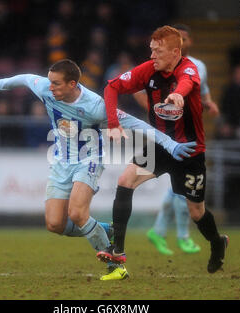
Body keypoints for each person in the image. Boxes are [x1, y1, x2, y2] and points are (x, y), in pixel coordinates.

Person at [0, 59, 196, 280]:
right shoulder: (45, 87)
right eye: (50, 82)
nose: (50, 87)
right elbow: (25, 78)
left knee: (76, 214)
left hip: (89, 160)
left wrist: (170, 144)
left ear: (72, 84)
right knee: (55, 224)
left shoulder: (95, 106)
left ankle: (116, 266)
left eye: (56, 83)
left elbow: (136, 124)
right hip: (61, 162)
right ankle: (106, 229)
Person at [97, 26, 229, 274]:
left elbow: (188, 82)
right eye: (151, 50)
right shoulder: (148, 70)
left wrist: (178, 95)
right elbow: (111, 87)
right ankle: (118, 251)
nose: (152, 56)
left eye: (157, 51)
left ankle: (217, 243)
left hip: (189, 151)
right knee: (126, 180)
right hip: (158, 146)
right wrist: (113, 124)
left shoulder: (189, 68)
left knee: (196, 211)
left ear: (175, 52)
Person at [143, 24, 220, 255]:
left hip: (189, 135)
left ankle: (159, 230)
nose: (181, 42)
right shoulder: (156, 67)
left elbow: (201, 89)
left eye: (184, 38)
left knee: (178, 191)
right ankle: (182, 236)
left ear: (188, 42)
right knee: (180, 190)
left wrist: (208, 103)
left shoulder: (198, 67)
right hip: (166, 134)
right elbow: (142, 90)